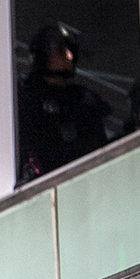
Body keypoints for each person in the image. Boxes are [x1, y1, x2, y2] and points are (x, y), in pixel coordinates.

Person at [17, 22, 113, 182]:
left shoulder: (83, 99)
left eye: (71, 51)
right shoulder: (26, 99)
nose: (69, 56)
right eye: (61, 51)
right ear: (42, 55)